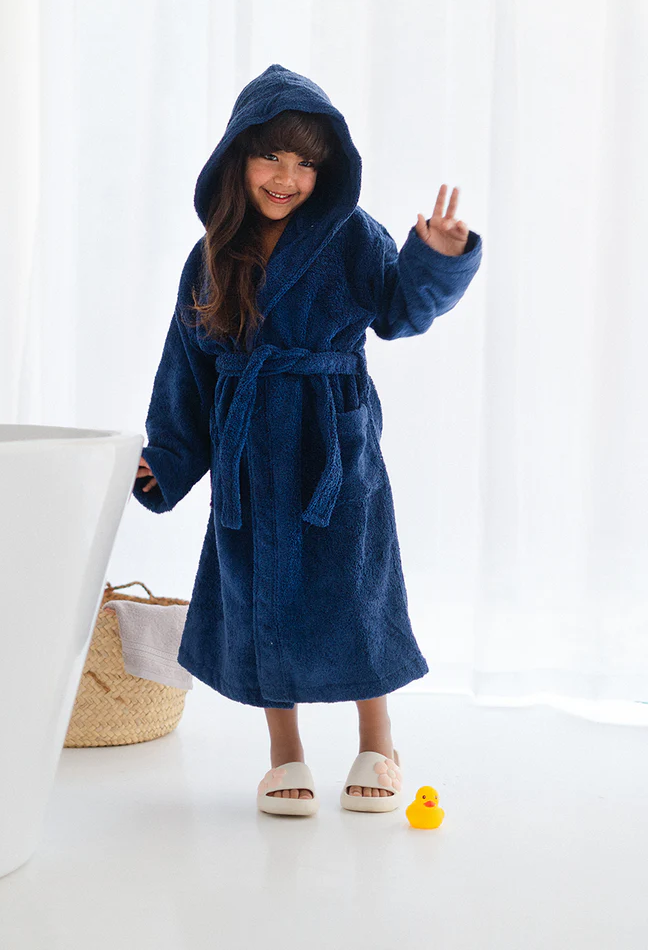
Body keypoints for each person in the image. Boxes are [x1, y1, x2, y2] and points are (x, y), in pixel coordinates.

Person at [132, 63, 483, 815]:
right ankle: (284, 754)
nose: (288, 178)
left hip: (334, 441)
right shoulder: (212, 254)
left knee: (355, 585)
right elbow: (186, 366)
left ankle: (379, 741)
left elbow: (399, 312)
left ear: (328, 171)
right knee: (260, 592)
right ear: (238, 157)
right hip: (249, 448)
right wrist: (168, 457)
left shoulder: (351, 235)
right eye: (272, 156)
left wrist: (436, 258)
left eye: (306, 163)